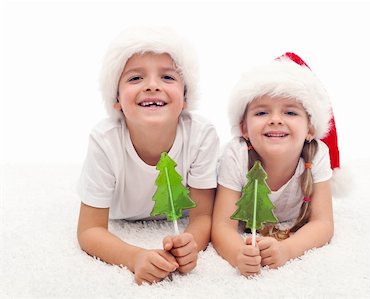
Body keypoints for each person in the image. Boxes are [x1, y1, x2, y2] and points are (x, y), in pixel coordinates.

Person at [77, 26, 219, 284]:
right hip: (121, 214)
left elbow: (203, 216)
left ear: (185, 97)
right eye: (135, 78)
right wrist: (135, 256)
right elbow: (89, 229)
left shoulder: (201, 135)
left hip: (178, 219)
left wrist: (191, 245)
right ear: (116, 99)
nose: (152, 86)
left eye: (167, 77)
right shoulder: (105, 140)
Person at [211, 52, 342, 277]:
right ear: (244, 128)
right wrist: (237, 254)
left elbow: (323, 223)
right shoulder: (237, 155)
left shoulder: (317, 154)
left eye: (290, 112)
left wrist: (287, 249)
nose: (275, 119)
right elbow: (222, 226)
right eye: (262, 112)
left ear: (310, 129)